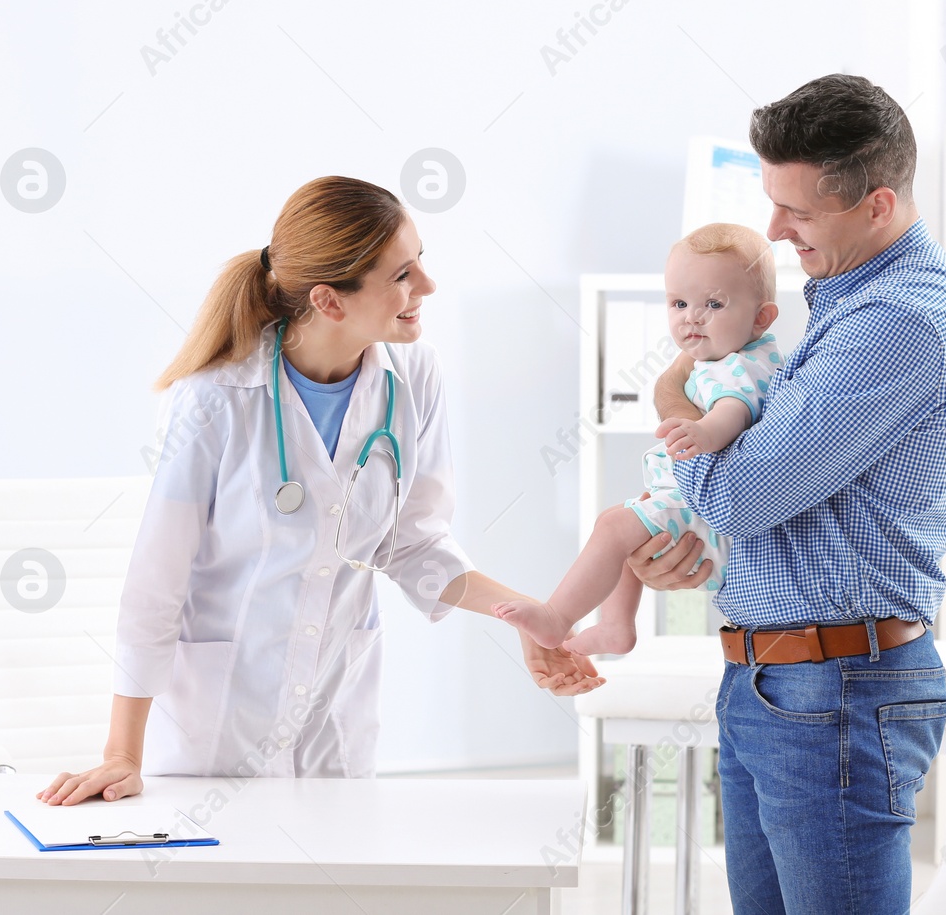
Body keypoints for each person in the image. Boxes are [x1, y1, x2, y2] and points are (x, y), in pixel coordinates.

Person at [38, 176, 602, 806]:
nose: (428, 287)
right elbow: (156, 581)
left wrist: (527, 612)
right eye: (401, 275)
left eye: (422, 262)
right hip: (215, 733)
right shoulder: (214, 400)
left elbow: (413, 544)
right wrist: (121, 755)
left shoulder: (413, 376)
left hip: (335, 722)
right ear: (330, 301)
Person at [628, 75, 946, 913]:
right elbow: (766, 502)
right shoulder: (842, 305)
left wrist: (672, 408)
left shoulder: (899, 320)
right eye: (771, 201)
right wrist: (690, 540)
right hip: (776, 680)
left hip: (835, 689)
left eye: (797, 211)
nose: (773, 230)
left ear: (877, 205)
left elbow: (746, 494)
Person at [492, 223, 783, 656]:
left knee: (613, 526)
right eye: (679, 303)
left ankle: (558, 617)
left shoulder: (737, 367)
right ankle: (616, 626)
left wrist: (703, 431)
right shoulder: (746, 357)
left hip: (705, 514)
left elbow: (733, 410)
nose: (692, 317)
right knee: (617, 521)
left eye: (714, 304)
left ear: (761, 316)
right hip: (703, 511)